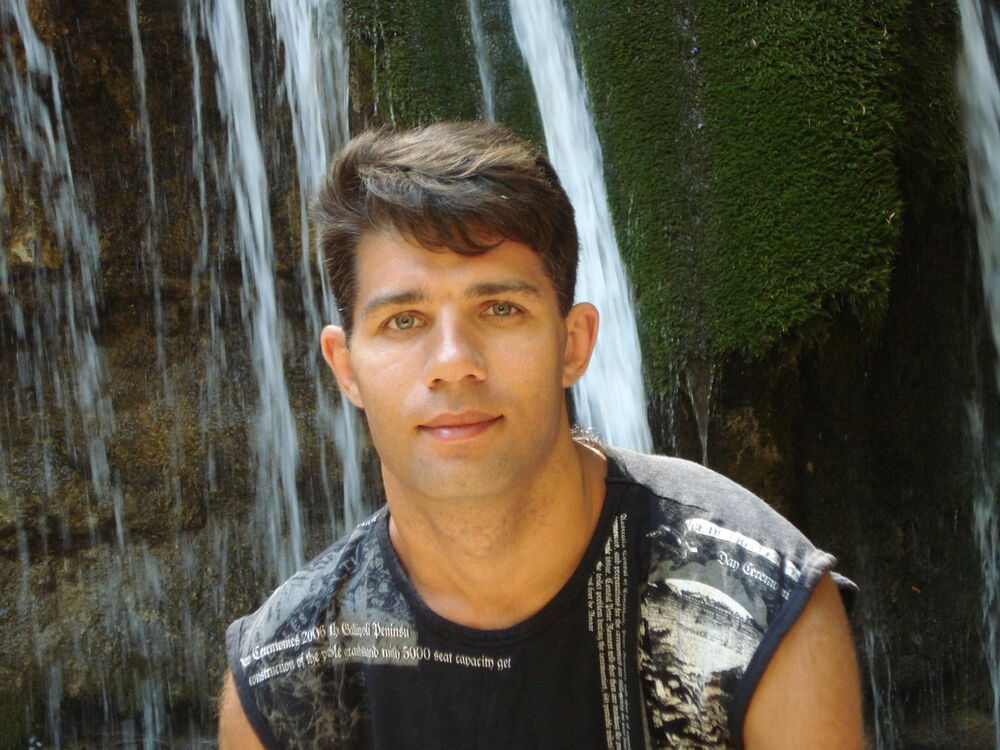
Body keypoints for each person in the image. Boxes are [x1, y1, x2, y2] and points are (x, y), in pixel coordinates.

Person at [218, 122, 862, 750]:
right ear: (346, 368)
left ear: (573, 344)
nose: (453, 362)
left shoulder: (749, 605)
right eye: (404, 320)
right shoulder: (286, 678)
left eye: (501, 309)